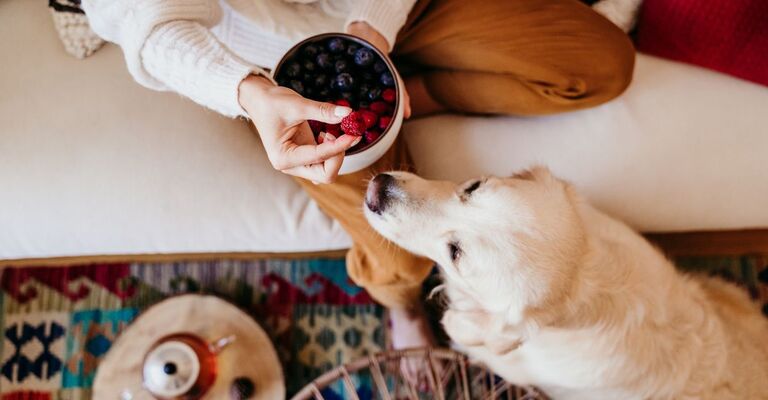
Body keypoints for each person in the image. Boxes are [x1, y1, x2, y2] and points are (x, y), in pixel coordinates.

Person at [83, 0, 634, 351]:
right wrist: (250, 94)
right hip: (274, 69)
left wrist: (374, 26)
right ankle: (397, 301)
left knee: (602, 64)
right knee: (403, 258)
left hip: (394, 11)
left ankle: (417, 95)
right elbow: (144, 20)